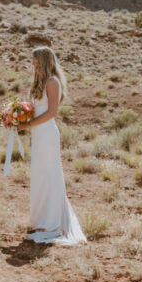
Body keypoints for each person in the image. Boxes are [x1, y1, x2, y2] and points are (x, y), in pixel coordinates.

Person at [22, 46, 86, 245]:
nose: (33, 64)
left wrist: (27, 124)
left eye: (35, 60)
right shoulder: (38, 83)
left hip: (47, 134)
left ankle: (52, 222)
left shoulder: (52, 82)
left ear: (44, 60)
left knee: (50, 174)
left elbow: (51, 113)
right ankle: (40, 220)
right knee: (40, 174)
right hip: (38, 134)